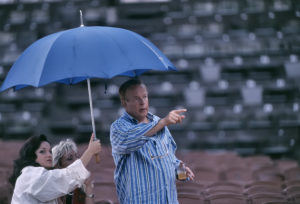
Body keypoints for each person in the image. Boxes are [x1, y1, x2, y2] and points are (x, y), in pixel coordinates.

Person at [110, 79, 195, 204]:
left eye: (144, 96)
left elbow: (169, 157)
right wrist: (163, 122)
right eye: (136, 98)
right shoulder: (118, 128)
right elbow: (134, 138)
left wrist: (179, 169)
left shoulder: (158, 121)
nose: (142, 102)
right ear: (124, 103)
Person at [9, 133, 101, 204]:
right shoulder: (30, 175)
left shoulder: (52, 183)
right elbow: (66, 177)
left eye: (50, 151)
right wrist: (90, 151)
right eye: (42, 152)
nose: (49, 155)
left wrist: (89, 188)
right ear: (31, 156)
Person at [52, 139, 113, 204]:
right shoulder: (52, 187)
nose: (76, 161)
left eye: (77, 157)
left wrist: (88, 186)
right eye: (69, 159)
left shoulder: (79, 186)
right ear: (58, 166)